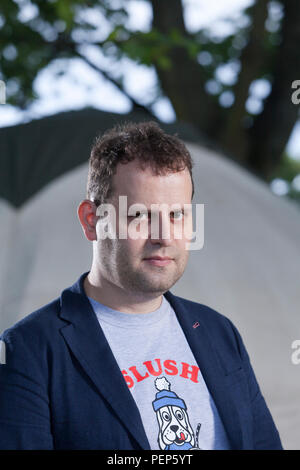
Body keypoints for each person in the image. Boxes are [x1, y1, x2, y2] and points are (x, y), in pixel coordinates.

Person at [0, 121, 283, 450]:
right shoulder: (27, 351)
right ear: (91, 221)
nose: (163, 236)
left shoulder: (220, 333)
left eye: (177, 214)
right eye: (140, 215)